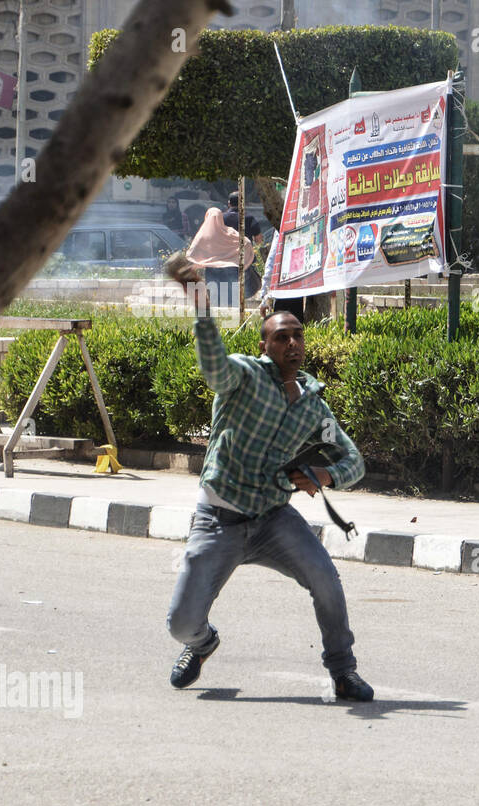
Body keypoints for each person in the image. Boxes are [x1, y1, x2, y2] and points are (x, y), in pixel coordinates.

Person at [164, 254, 373, 703]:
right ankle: (202, 644)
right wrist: (202, 306)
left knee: (327, 582)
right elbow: (214, 366)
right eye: (282, 337)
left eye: (298, 335)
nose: (292, 343)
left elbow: (354, 460)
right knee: (180, 623)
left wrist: (325, 474)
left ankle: (343, 672)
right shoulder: (244, 377)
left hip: (274, 520)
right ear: (265, 346)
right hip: (218, 519)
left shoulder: (314, 405)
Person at [186, 207, 254, 311]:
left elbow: (192, 253)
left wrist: (195, 266)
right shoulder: (229, 232)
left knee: (215, 301)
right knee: (233, 301)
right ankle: (234, 324)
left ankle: (220, 324)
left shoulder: (203, 235)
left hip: (212, 271)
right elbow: (246, 242)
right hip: (232, 269)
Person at [225, 191, 264, 299]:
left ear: (229, 203)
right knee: (251, 285)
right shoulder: (249, 219)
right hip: (244, 260)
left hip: (224, 259)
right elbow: (258, 240)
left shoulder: (221, 218)